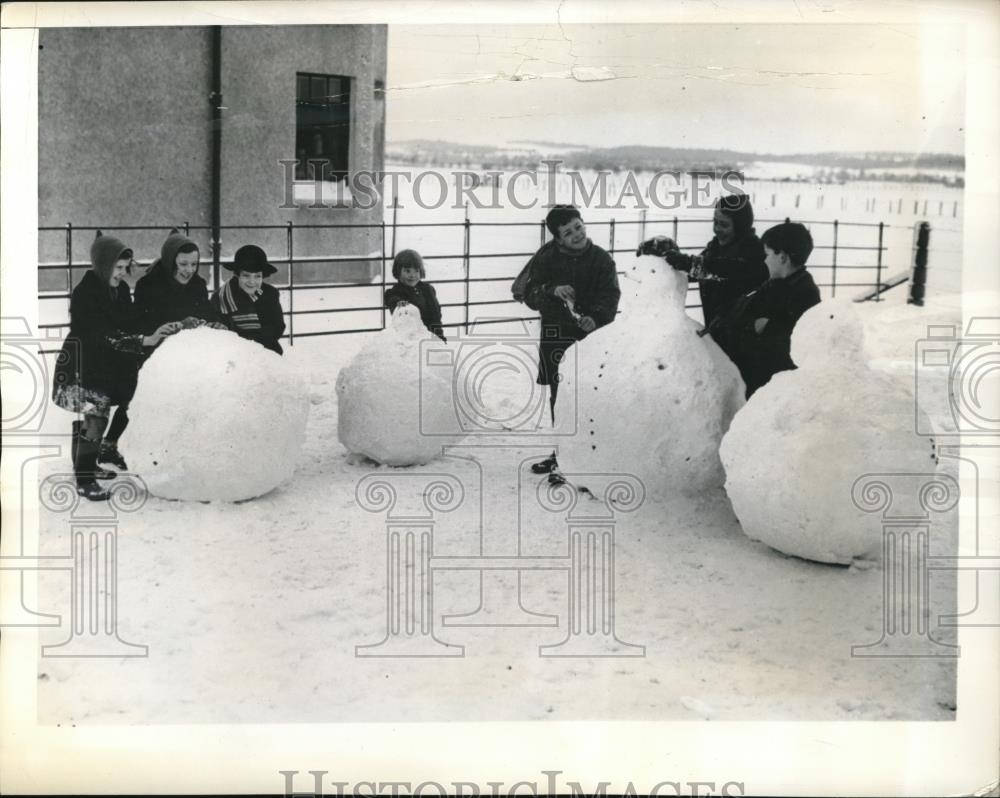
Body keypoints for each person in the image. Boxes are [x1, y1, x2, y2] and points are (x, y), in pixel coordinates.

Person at [52, 232, 179, 500]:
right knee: (96, 418)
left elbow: (129, 320)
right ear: (102, 264)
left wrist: (154, 330)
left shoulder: (119, 290)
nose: (122, 274)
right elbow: (98, 335)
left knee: (101, 414)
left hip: (109, 363)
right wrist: (143, 340)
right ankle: (85, 480)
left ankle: (84, 464)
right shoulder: (85, 293)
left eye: (125, 268)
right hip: (84, 363)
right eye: (117, 268)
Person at [513, 204, 621, 479]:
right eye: (568, 232)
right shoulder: (547, 258)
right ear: (557, 238)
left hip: (590, 338)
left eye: (578, 227)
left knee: (590, 393)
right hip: (555, 334)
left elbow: (610, 296)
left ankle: (590, 455)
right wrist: (551, 290)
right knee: (559, 396)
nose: (576, 234)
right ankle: (562, 454)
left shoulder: (601, 260)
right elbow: (529, 294)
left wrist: (596, 318)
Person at [637, 194, 768, 362]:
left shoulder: (754, 251)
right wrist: (662, 255)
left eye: (724, 225)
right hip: (718, 331)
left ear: (740, 227)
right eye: (715, 222)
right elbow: (695, 271)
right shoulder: (716, 247)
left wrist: (689, 263)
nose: (717, 229)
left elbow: (725, 268)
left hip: (745, 341)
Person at [706, 221, 822, 397]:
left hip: (770, 390)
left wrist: (754, 328)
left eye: (767, 254)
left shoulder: (804, 294)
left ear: (782, 257)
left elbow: (776, 345)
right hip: (753, 381)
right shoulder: (775, 283)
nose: (764, 260)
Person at [134, 228, 219, 334]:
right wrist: (179, 325)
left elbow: (208, 314)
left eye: (194, 264)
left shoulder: (198, 285)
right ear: (170, 262)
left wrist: (214, 324)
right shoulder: (147, 286)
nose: (190, 270)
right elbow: (143, 326)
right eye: (183, 264)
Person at [211, 244, 287, 355]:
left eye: (257, 276)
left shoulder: (270, 294)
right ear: (237, 275)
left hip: (266, 349)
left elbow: (278, 327)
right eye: (246, 276)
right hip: (235, 352)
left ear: (263, 276)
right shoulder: (221, 298)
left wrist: (256, 344)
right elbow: (222, 333)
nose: (252, 282)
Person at [384, 249, 446, 341]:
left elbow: (436, 317)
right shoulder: (397, 291)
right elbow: (391, 298)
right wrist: (399, 303)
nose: (412, 275)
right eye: (407, 271)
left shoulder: (427, 290)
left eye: (416, 271)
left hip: (433, 335)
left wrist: (440, 338)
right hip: (412, 340)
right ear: (398, 271)